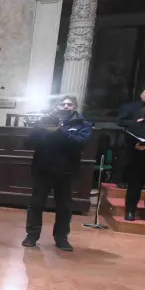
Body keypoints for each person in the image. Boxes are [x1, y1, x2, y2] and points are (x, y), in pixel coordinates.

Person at [22, 95, 93, 251]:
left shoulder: (82, 124)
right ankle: (32, 235)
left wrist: (58, 131)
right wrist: (39, 129)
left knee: (64, 206)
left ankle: (61, 238)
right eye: (63, 104)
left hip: (66, 171)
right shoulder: (45, 121)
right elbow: (28, 144)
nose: (66, 106)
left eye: (69, 104)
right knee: (36, 204)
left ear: (75, 106)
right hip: (42, 169)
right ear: (58, 106)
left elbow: (80, 143)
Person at [116, 87, 145, 187]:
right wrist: (136, 122)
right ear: (141, 96)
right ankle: (121, 181)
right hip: (130, 140)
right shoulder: (130, 107)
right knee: (127, 162)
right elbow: (120, 121)